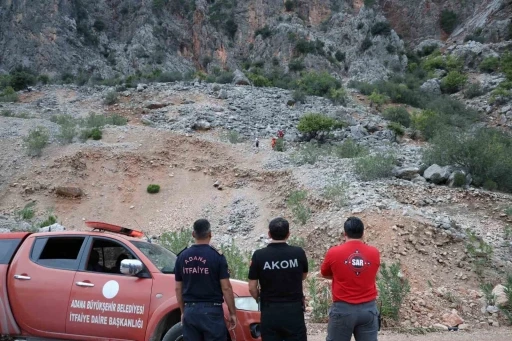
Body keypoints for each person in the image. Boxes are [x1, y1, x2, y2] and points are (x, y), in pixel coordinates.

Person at [175, 219, 237, 340]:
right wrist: (232, 313)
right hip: (212, 312)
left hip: (190, 311)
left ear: (193, 234)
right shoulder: (217, 256)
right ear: (210, 234)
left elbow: (178, 288)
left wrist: (183, 312)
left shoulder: (182, 256)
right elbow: (226, 287)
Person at [320, 217, 381, 341]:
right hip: (368, 310)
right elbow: (372, 273)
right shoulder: (374, 252)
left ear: (345, 233)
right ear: (363, 233)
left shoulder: (334, 252)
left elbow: (325, 273)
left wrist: (341, 276)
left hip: (343, 309)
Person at [248, 217, 308, 341]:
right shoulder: (298, 253)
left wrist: (259, 298)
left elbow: (252, 287)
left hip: (270, 310)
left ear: (269, 234)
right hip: (294, 310)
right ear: (288, 234)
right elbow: (303, 276)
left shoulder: (259, 255)